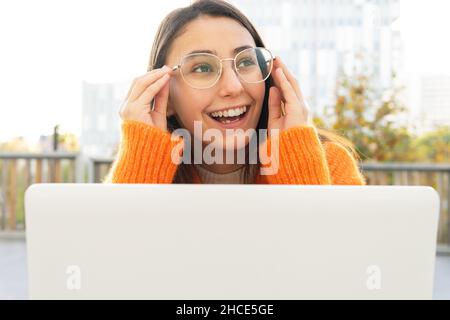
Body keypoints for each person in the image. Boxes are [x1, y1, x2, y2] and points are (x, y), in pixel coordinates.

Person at [104, 0, 366, 185]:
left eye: (246, 62)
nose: (233, 87)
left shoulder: (331, 164)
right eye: (203, 67)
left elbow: (331, 261)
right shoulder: (139, 168)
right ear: (165, 95)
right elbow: (114, 258)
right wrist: (142, 164)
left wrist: (297, 160)